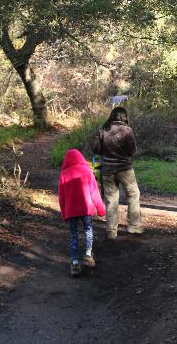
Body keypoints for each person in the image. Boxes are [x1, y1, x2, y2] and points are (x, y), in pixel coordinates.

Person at [91, 107, 142, 239]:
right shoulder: (127, 131)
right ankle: (134, 226)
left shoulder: (103, 130)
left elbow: (96, 149)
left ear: (112, 116)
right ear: (124, 117)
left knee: (111, 200)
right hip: (125, 169)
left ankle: (111, 232)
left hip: (107, 170)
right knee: (133, 195)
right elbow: (132, 151)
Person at [58, 149, 106, 277]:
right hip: (86, 209)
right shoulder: (87, 171)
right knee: (88, 230)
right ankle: (88, 255)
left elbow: (61, 198)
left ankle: (74, 263)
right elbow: (94, 192)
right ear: (80, 158)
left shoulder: (64, 174)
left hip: (71, 211)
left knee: (74, 235)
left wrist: (64, 214)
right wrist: (100, 209)